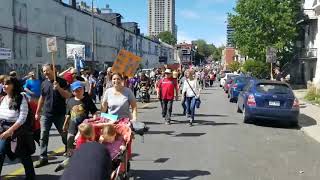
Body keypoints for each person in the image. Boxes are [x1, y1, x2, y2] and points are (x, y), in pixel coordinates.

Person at [35, 64, 71, 168]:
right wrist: (37, 112)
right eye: (44, 71)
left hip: (59, 114)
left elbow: (68, 95)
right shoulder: (44, 83)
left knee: (64, 134)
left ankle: (69, 150)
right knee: (43, 135)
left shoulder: (62, 81)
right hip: (46, 114)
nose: (45, 73)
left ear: (53, 70)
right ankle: (43, 158)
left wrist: (59, 88)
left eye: (47, 70)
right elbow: (41, 98)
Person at [0, 76, 36, 179]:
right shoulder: (3, 98)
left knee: (23, 154)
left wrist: (10, 131)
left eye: (7, 83)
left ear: (13, 85)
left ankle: (30, 176)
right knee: (1, 152)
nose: (4, 85)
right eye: (3, 83)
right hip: (3, 130)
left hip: (18, 131)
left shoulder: (21, 97)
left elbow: (22, 118)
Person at [63, 81, 98, 154]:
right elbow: (68, 114)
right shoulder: (70, 101)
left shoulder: (87, 100)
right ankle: (71, 160)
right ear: (73, 92)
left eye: (80, 89)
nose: (78, 92)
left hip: (84, 129)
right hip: (72, 129)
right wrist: (65, 124)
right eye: (76, 90)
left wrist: (94, 120)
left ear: (83, 90)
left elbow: (94, 112)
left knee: (83, 149)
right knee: (70, 148)